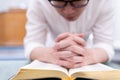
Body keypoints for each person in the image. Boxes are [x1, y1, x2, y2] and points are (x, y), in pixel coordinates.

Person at [24, 0, 117, 69]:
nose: (68, 11)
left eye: (77, 3)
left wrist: (91, 55)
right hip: (52, 55)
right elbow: (32, 43)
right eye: (59, 3)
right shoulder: (38, 2)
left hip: (85, 55)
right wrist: (48, 54)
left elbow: (105, 44)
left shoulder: (104, 2)